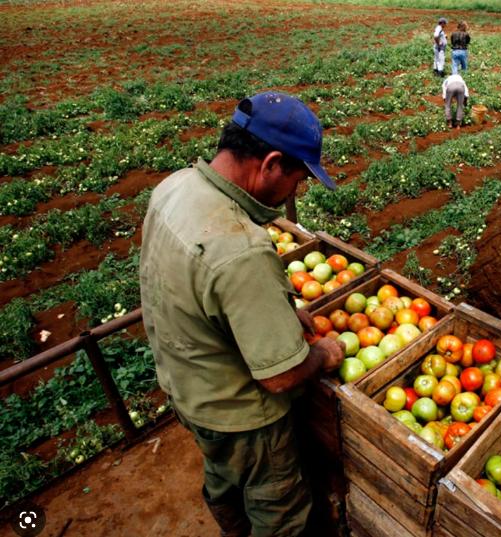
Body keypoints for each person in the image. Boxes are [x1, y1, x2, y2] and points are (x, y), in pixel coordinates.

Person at [139, 92, 346, 537]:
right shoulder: (240, 248)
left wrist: (279, 313)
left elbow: (202, 294)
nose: (296, 190)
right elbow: (279, 377)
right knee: (280, 513)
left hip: (188, 387)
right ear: (271, 163)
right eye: (298, 178)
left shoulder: (175, 187)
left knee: (223, 478)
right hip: (243, 419)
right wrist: (323, 355)